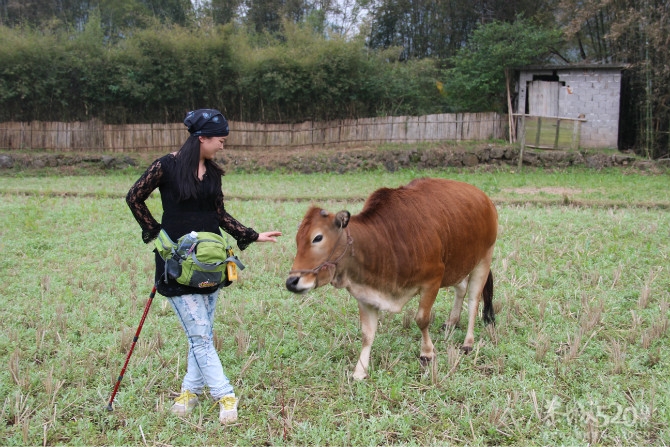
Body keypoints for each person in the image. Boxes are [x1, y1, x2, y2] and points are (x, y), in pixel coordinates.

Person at [126, 108, 281, 424]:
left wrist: (250, 234)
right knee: (199, 334)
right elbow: (134, 197)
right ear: (202, 138)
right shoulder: (166, 166)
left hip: (210, 261)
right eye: (220, 140)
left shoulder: (212, 173)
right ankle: (226, 395)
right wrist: (156, 233)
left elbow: (219, 215)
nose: (223, 146)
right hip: (177, 262)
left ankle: (189, 392)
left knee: (202, 333)